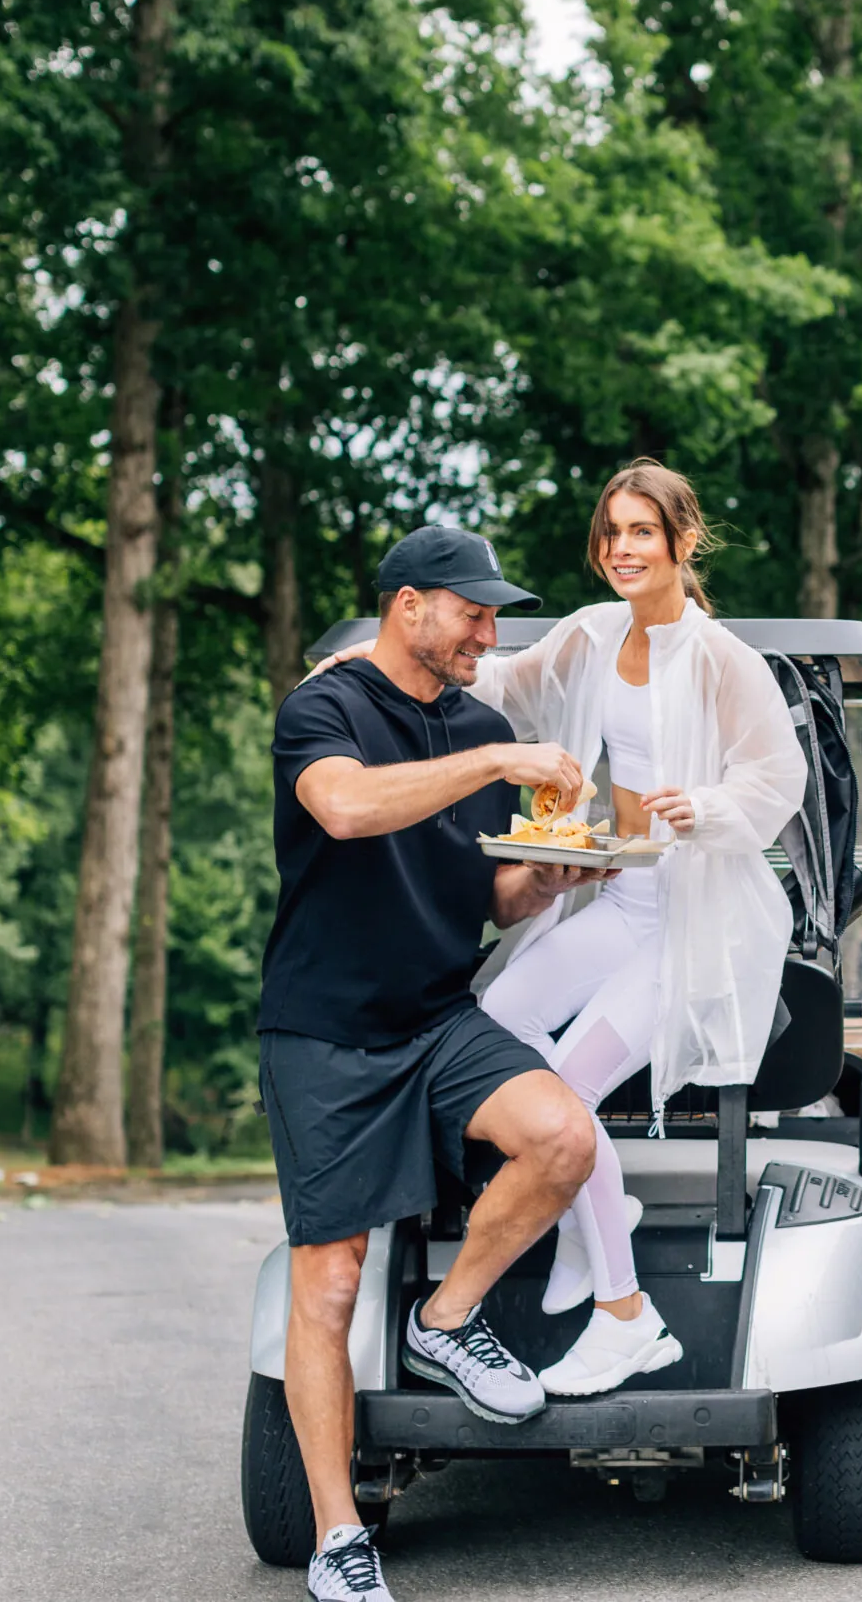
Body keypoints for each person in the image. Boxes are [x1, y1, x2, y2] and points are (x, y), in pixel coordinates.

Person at [258, 526, 609, 1602]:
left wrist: (542, 883)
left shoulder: (479, 718)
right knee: (328, 1284)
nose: (488, 635)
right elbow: (348, 808)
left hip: (439, 1016)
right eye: (473, 612)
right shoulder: (325, 708)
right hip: (324, 1032)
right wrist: (499, 761)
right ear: (408, 606)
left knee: (564, 1138)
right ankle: (337, 1538)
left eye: (494, 617)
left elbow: (481, 892)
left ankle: (446, 1318)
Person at [468, 461, 808, 1396]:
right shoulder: (590, 634)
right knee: (498, 1021)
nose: (621, 548)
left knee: (567, 1089)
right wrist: (378, 664)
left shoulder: (722, 657)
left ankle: (626, 1315)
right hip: (623, 896)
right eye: (611, 531)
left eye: (642, 532)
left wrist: (702, 803)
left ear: (681, 542)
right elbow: (504, 683)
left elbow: (778, 779)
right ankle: (589, 1218)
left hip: (696, 922)